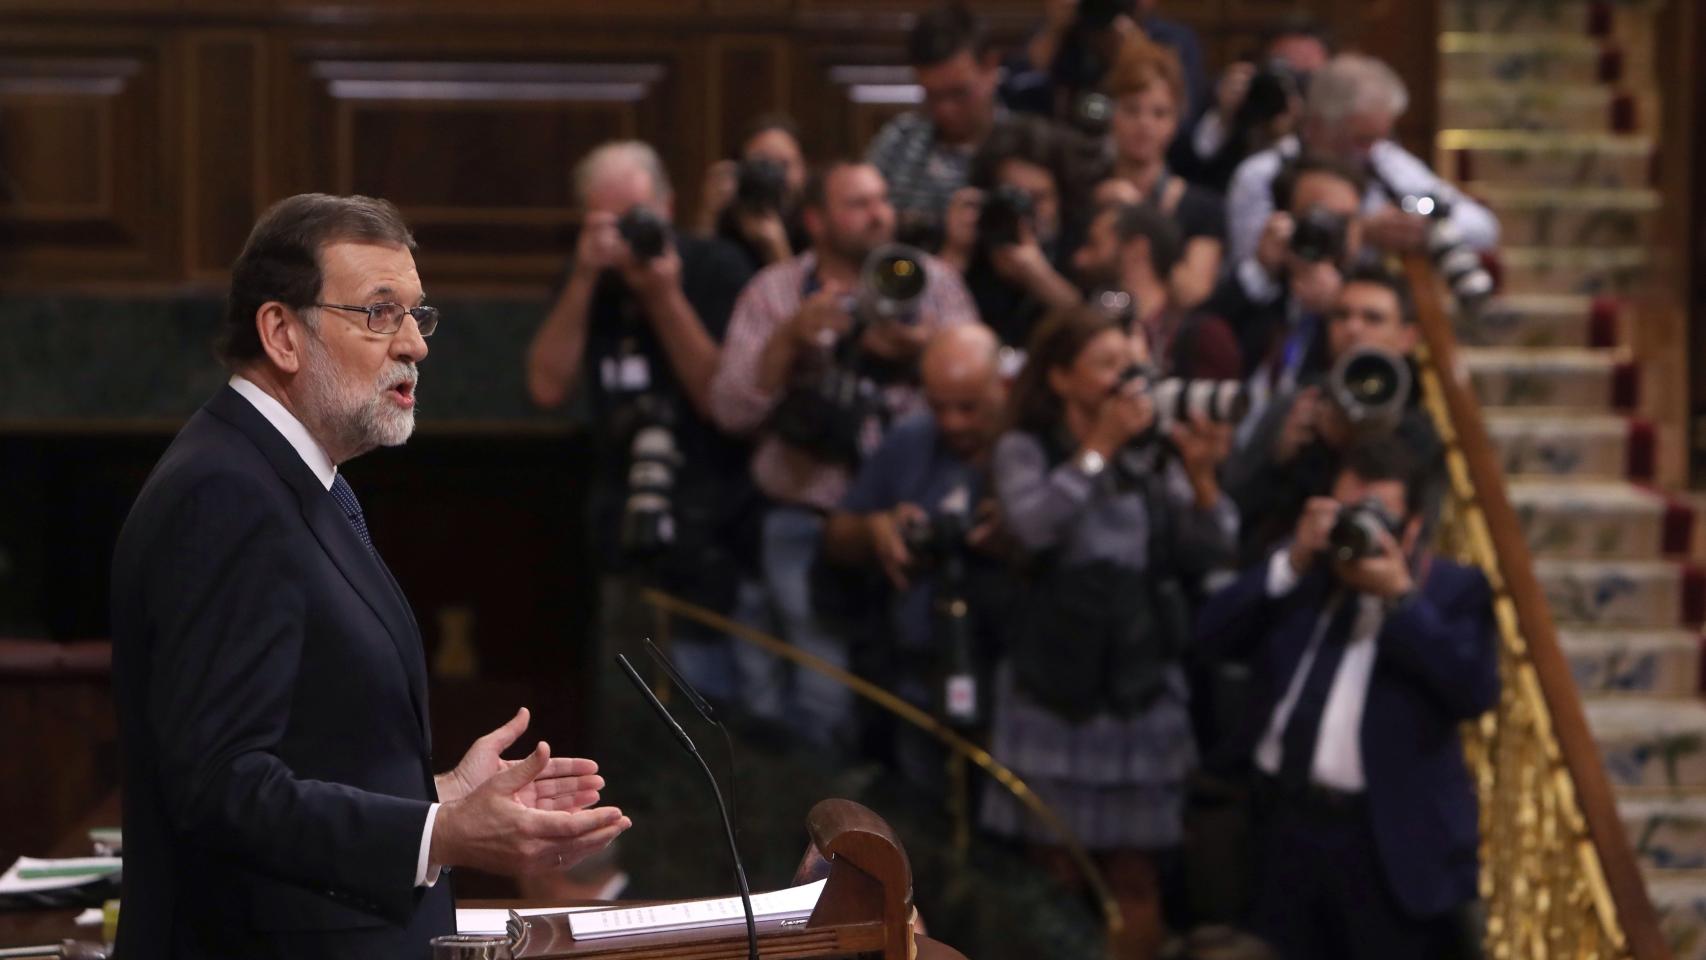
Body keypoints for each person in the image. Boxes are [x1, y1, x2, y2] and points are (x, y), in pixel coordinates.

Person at [111, 194, 630, 959]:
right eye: (381, 314)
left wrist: (446, 791)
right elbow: (220, 786)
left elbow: (308, 751)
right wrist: (440, 831)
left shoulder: (303, 481)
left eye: (420, 316)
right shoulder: (226, 494)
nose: (415, 345)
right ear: (282, 333)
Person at [980, 305, 1236, 959]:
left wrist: (1204, 478)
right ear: (1061, 378)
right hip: (1051, 684)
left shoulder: (1152, 453)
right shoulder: (1026, 447)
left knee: (1133, 877)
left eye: (1131, 367)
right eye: (1106, 367)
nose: (1125, 383)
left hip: (1137, 689)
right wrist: (1097, 451)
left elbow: (1210, 549)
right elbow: (1034, 526)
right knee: (1053, 875)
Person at [709, 159, 978, 749]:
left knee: (915, 700)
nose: (878, 213)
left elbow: (982, 387)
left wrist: (925, 350)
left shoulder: (928, 281)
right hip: (807, 519)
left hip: (916, 528)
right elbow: (730, 411)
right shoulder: (776, 290)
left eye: (882, 199)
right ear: (816, 219)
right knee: (821, 700)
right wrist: (790, 341)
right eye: (856, 203)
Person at [1194, 436, 1497, 960]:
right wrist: (1291, 559)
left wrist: (1400, 598)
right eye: (1347, 511)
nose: (1358, 528)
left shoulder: (1451, 590)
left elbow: (1471, 689)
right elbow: (1210, 636)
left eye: (1378, 514)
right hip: (1281, 829)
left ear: (1415, 527)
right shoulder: (1306, 575)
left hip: (1381, 847)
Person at [526, 141, 756, 704]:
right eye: (608, 221)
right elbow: (546, 387)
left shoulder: (716, 267)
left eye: (637, 216)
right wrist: (582, 277)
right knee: (630, 699)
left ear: (668, 206)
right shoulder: (588, 279)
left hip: (716, 518)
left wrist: (664, 296)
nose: (626, 235)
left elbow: (718, 398)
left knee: (720, 700)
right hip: (620, 516)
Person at [820, 324, 1010, 786]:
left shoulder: (1032, 446)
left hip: (1013, 682)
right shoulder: (912, 438)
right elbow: (835, 536)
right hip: (919, 674)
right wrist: (874, 529)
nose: (952, 423)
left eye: (968, 407)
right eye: (939, 406)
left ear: (1003, 386)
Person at [1222, 264, 1440, 565]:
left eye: (1372, 318)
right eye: (1341, 316)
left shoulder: (1420, 431)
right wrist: (1280, 455)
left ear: (1407, 337)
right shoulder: (1300, 403)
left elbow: (1419, 536)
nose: (1353, 328)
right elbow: (1236, 512)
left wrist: (1344, 444)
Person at [1223, 53, 1499, 280]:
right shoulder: (1260, 175)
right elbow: (1249, 275)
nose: (1371, 152)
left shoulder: (1385, 158)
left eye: (1380, 137)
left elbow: (1484, 228)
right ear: (1318, 124)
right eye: (1360, 139)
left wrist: (1422, 229)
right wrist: (1360, 232)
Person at [1207, 155, 1365, 397]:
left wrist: (1335, 310)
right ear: (1284, 217)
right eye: (1317, 216)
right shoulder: (1259, 290)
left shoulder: (1375, 297)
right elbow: (1201, 338)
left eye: (1343, 220)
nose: (1328, 230)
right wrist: (1261, 270)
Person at [867, 1, 1005, 248]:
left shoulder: (1027, 145)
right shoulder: (897, 141)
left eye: (959, 93)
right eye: (932, 95)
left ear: (991, 67)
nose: (945, 110)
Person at [1100, 37, 1225, 308]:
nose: (1144, 124)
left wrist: (1139, 216)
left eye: (1159, 113)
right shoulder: (1089, 194)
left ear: (1176, 121)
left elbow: (1193, 293)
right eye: (1132, 109)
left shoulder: (1204, 209)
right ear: (1113, 113)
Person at [941, 115, 1083, 347]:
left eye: (1038, 198)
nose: (1025, 211)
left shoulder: (1082, 244)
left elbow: (1097, 331)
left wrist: (1040, 278)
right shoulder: (971, 238)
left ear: (1060, 198)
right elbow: (926, 329)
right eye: (1014, 196)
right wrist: (955, 254)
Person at [1074, 201, 1241, 379]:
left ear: (1137, 249)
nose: (1079, 259)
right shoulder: (1086, 335)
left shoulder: (1204, 337)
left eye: (1094, 244)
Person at [1176, 16, 1331, 191]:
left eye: (1305, 78)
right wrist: (1223, 118)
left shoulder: (1338, 136)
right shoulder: (1237, 117)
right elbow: (1190, 173)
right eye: (1282, 72)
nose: (1292, 86)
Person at [1007, 0, 1208, 128]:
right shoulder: (1065, 34)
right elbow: (1016, 93)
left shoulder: (1173, 39)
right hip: (1067, 152)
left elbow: (1185, 124)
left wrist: (1136, 51)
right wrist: (1055, 28)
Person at [695, 114, 810, 272]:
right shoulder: (726, 217)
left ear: (803, 171)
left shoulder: (817, 227)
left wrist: (776, 249)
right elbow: (696, 280)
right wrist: (709, 214)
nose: (773, 174)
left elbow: (803, 296)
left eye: (783, 165)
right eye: (762, 163)